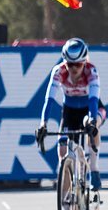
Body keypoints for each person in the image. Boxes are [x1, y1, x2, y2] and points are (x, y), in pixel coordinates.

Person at [36, 38, 104, 193]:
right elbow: (49, 99)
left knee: (92, 124)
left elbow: (93, 100)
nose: (73, 69)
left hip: (90, 107)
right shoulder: (58, 71)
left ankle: (94, 169)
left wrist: (92, 121)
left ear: (84, 63)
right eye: (69, 64)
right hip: (70, 111)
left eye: (78, 64)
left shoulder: (91, 71)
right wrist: (43, 124)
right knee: (63, 156)